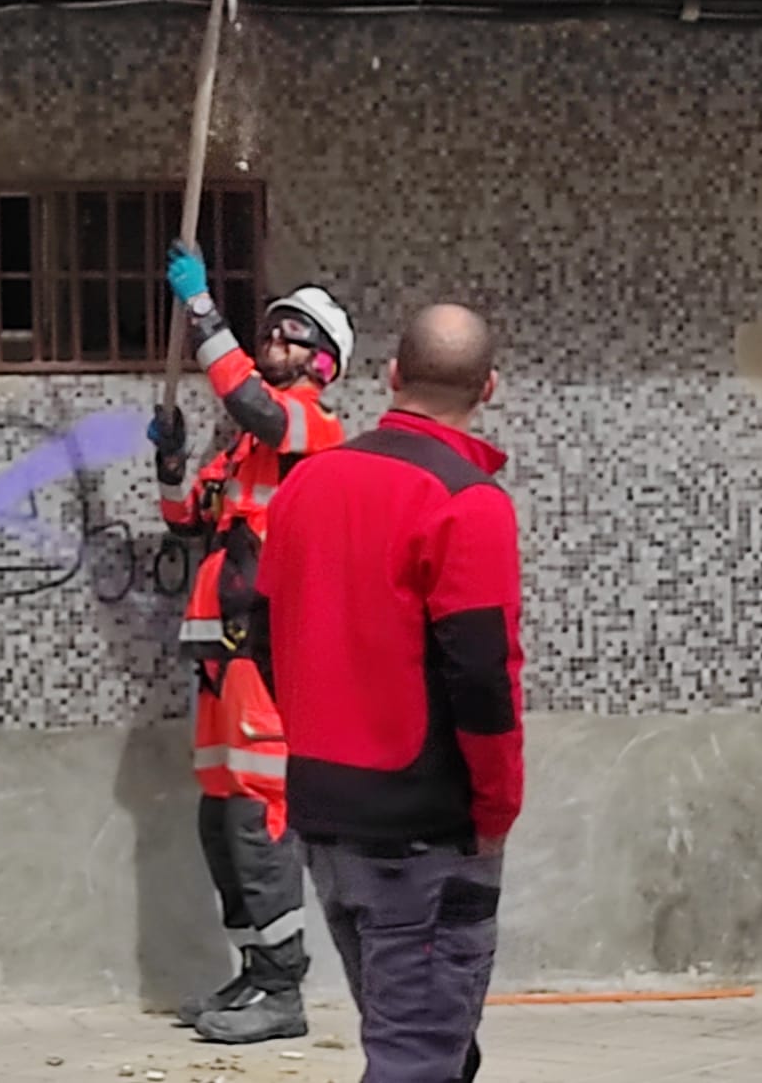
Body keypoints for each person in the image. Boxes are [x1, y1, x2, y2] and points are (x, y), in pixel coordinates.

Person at [251, 304, 522, 1083]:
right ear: (489, 388)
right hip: (426, 830)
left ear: (394, 375)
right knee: (418, 1054)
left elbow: (268, 633)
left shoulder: (307, 486)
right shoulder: (467, 504)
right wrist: (496, 809)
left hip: (327, 815)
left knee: (422, 1040)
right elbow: (481, 675)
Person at [148, 240, 355, 1045]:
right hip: (218, 655)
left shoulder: (310, 425)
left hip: (266, 653)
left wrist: (202, 313)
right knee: (219, 819)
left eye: (294, 334)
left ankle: (284, 992)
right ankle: (253, 973)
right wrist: (169, 459)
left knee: (259, 818)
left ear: (325, 362)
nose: (276, 342)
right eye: (271, 330)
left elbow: (254, 405)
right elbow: (185, 519)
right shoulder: (239, 446)